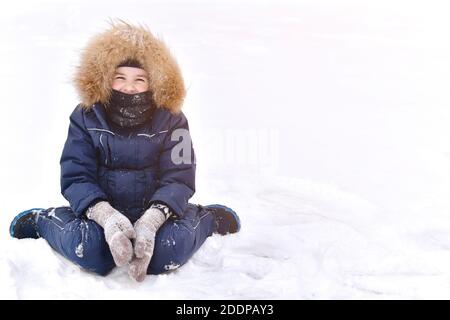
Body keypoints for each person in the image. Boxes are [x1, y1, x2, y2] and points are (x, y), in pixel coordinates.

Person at [9, 21, 241, 282]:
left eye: (139, 80)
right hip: (100, 213)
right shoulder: (85, 117)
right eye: (120, 78)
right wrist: (104, 215)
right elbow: (76, 174)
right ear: (105, 79)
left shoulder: (174, 120)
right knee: (89, 252)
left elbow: (180, 174)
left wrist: (154, 218)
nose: (129, 87)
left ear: (154, 82)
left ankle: (207, 218)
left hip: (158, 212)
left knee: (167, 254)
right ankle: (44, 220)